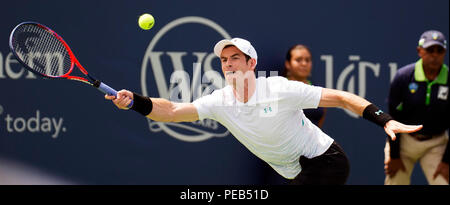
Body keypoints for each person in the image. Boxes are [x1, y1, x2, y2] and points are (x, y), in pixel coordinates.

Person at [106, 38, 422, 185]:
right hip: (296, 172)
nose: (228, 64)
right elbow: (173, 111)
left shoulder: (281, 88)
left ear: (251, 64)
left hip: (327, 163)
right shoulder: (220, 101)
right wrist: (135, 101)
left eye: (235, 58)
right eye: (224, 60)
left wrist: (385, 119)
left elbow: (340, 97)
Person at [384, 30, 449, 185]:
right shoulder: (403, 77)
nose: (434, 55)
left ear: (444, 53)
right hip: (404, 142)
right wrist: (394, 156)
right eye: (429, 50)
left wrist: (447, 161)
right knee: (395, 181)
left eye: (439, 50)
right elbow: (392, 118)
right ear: (419, 51)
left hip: (437, 144)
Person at [282, 44, 326, 128]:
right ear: (288, 64)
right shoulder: (280, 87)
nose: (304, 63)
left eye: (307, 60)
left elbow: (321, 118)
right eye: (298, 60)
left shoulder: (317, 89)